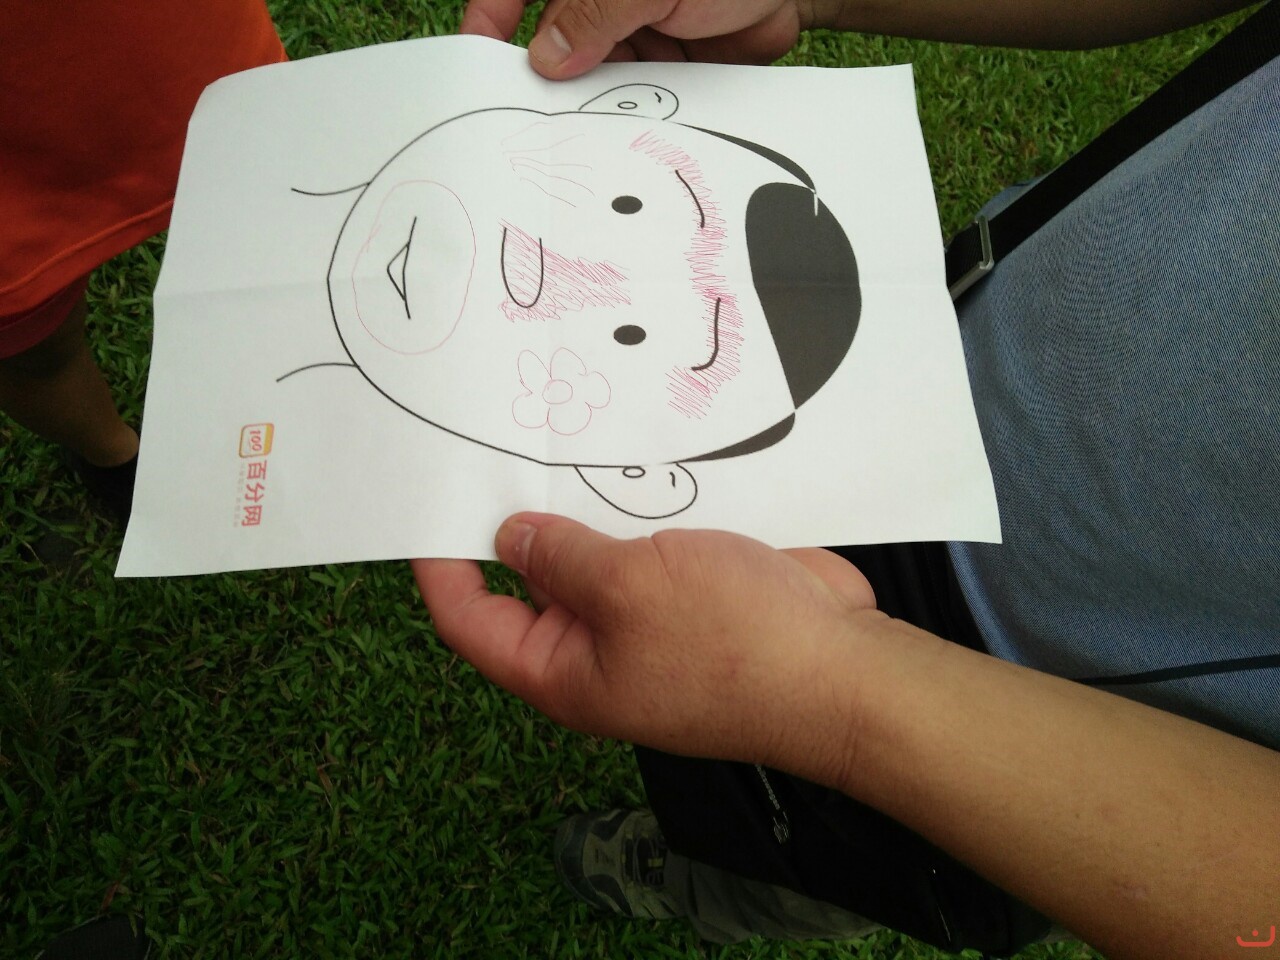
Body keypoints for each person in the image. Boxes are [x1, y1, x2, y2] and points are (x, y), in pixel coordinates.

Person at [414, 1, 1280, 958]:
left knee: (807, 850)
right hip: (932, 362)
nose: (560, 276)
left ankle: (711, 879)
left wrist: (833, 695)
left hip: (1054, 738)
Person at [0, 1, 285, 522]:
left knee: (260, 200)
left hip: (176, 35)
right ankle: (111, 456)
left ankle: (280, 385)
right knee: (31, 343)